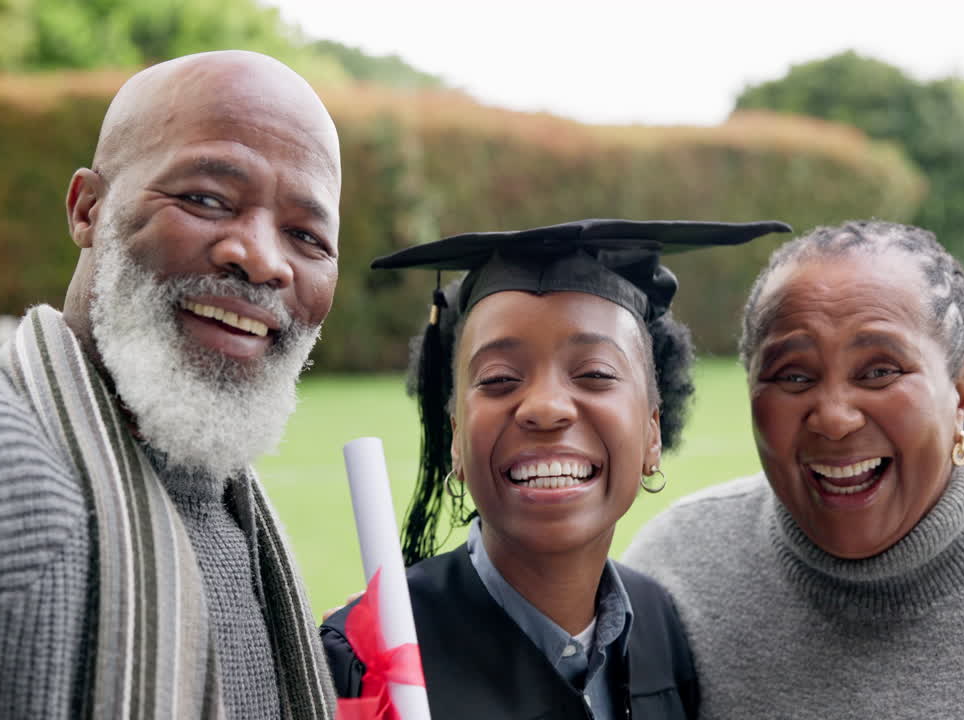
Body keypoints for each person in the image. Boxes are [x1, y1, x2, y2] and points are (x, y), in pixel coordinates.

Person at [0, 51, 340, 719]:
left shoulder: (245, 530)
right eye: (205, 199)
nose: (261, 258)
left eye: (306, 236)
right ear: (87, 210)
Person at [624, 220, 964, 718]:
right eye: (793, 375)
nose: (835, 418)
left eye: (880, 372)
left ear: (961, 393)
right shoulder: (673, 571)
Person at [321, 218, 791, 718]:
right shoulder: (364, 659)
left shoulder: (663, 630)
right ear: (455, 438)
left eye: (594, 373)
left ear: (653, 432)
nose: (545, 407)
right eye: (499, 379)